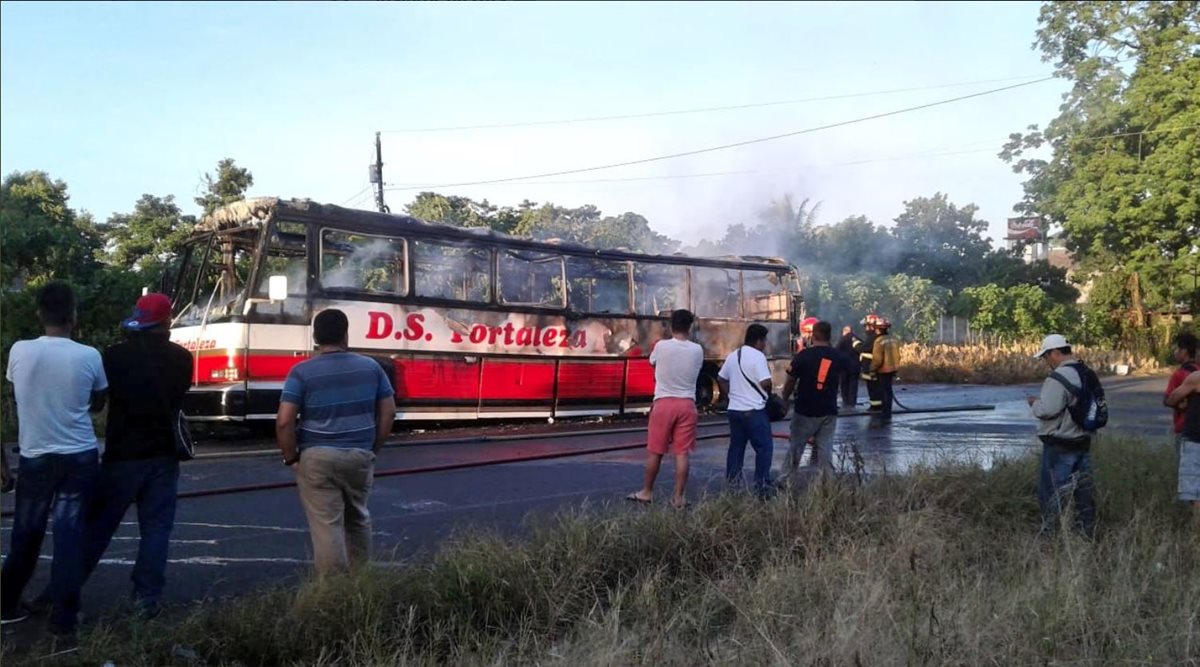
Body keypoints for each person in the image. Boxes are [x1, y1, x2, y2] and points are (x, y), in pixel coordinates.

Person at [51, 293, 193, 619]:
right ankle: (146, 599)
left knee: (97, 527)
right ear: (168, 321)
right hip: (164, 455)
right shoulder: (183, 358)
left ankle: (63, 594)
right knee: (156, 529)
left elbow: (97, 400)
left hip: (123, 454)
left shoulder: (114, 357)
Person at [1, 282, 107, 636]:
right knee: (69, 535)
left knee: (26, 533)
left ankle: (6, 603)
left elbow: (19, 390)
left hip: (34, 455)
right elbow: (99, 400)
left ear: (39, 314)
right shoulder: (89, 355)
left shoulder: (19, 350)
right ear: (73, 316)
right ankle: (64, 618)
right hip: (79, 456)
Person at [277, 308, 396, 575]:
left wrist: (292, 458)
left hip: (317, 456)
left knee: (327, 525)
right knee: (358, 519)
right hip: (359, 455)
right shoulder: (371, 367)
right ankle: (361, 581)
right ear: (345, 335)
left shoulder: (301, 372)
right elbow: (388, 411)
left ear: (316, 337)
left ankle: (334, 591)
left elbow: (285, 421)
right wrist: (373, 447)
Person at [626, 309, 703, 509]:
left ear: (670, 326)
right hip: (687, 404)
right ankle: (678, 498)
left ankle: (647, 492)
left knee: (655, 452)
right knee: (682, 453)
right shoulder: (697, 350)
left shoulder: (661, 346)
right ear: (690, 327)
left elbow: (653, 363)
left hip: (664, 403)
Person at [1027, 334, 1095, 536]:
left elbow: (1048, 410)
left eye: (1046, 357)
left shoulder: (1058, 378)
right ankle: (1086, 534)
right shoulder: (1086, 372)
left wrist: (1034, 404)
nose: (1046, 362)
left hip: (1061, 444)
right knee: (1084, 494)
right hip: (1083, 441)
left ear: (1055, 353)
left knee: (1053, 494)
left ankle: (1050, 536)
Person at [780, 321, 847, 481]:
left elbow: (790, 380)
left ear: (813, 335)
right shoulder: (837, 356)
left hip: (805, 410)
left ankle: (786, 479)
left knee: (796, 447)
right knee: (825, 449)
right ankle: (828, 483)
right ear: (829, 335)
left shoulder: (804, 355)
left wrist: (784, 398)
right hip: (828, 411)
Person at [718, 323, 775, 497]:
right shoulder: (758, 356)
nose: (765, 344)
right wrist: (769, 392)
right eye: (764, 340)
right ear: (758, 340)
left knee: (736, 449)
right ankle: (762, 486)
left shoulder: (734, 355)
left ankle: (732, 488)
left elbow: (721, 378)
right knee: (764, 448)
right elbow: (766, 382)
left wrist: (731, 396)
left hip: (734, 411)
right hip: (754, 411)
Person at [1165, 366, 1200, 508]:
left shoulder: (1196, 378)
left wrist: (1185, 401)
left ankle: (1196, 528)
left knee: (1195, 495)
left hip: (1195, 442)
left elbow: (1171, 399)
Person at [1164, 332, 1198, 448]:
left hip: (1185, 430)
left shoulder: (1179, 374)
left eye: (1176, 349)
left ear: (1183, 351)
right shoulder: (1197, 371)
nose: (1174, 352)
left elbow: (1169, 400)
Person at [870, 317, 901, 419]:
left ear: (878, 329)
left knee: (883, 391)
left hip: (883, 369)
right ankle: (888, 411)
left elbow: (877, 359)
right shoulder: (894, 339)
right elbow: (898, 356)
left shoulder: (878, 341)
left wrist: (872, 370)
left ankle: (885, 413)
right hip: (893, 368)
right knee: (888, 390)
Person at [835, 325, 863, 409]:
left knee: (844, 384)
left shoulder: (842, 339)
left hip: (844, 366)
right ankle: (852, 402)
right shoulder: (857, 338)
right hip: (855, 365)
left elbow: (836, 350)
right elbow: (863, 348)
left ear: (844, 331)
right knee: (853, 385)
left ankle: (846, 401)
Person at [860, 315, 882, 412]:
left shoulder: (873, 337)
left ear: (872, 326)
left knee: (873, 388)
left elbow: (863, 348)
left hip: (871, 368)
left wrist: (855, 342)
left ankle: (875, 407)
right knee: (875, 387)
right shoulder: (877, 336)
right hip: (873, 368)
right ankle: (878, 405)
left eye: (866, 326)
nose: (865, 328)